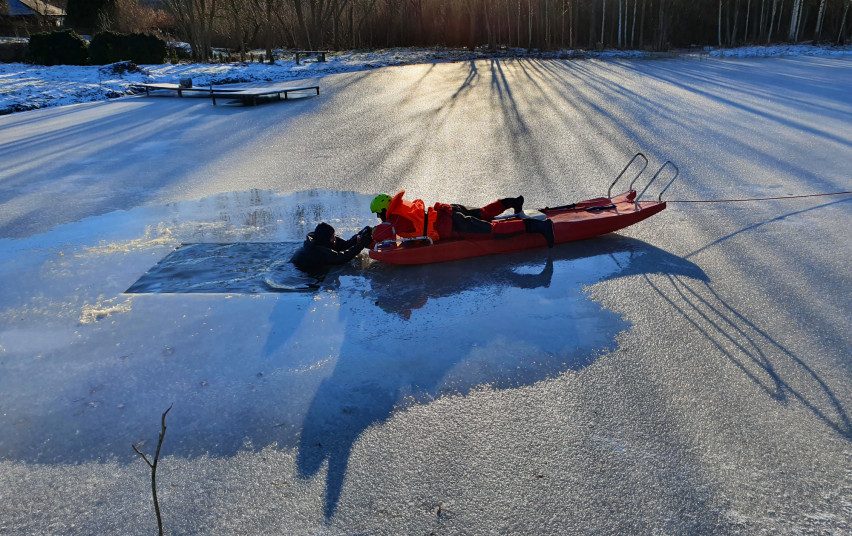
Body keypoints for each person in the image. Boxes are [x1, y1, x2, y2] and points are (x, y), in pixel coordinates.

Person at [369, 191, 555, 247]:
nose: (379, 218)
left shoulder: (395, 220)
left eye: (379, 214)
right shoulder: (402, 207)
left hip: (449, 223)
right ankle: (511, 201)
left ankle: (538, 227)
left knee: (492, 231)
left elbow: (389, 240)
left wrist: (371, 240)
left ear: (384, 210)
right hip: (446, 211)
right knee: (482, 213)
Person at [290, 222, 372, 275]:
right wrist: (361, 245)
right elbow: (341, 258)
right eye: (332, 237)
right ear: (325, 239)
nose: (335, 239)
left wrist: (361, 233)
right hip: (302, 270)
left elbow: (345, 245)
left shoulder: (321, 239)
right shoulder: (318, 250)